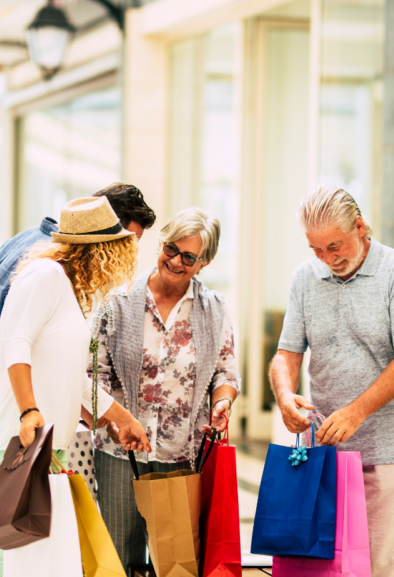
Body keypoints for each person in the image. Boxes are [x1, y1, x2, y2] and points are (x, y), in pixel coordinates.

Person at [0, 183, 156, 577]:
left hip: (43, 446)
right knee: (3, 562)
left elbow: (68, 373)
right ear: (103, 247)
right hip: (14, 443)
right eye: (128, 244)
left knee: (28, 562)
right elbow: (15, 344)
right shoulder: (45, 275)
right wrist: (28, 412)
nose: (132, 255)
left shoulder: (69, 286)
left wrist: (121, 418)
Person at [268, 186, 394, 577]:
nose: (328, 259)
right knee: (325, 565)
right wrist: (285, 395)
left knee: (382, 566)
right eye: (317, 249)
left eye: (335, 245)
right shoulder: (306, 278)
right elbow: (286, 355)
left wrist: (356, 412)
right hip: (323, 451)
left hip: (388, 448)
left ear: (360, 227)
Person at [89, 207, 240, 570]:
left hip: (179, 455)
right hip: (118, 453)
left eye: (189, 256)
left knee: (173, 564)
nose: (175, 261)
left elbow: (226, 372)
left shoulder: (214, 309)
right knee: (117, 559)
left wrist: (222, 403)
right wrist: (112, 422)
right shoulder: (117, 302)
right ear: (160, 243)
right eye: (171, 249)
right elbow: (94, 374)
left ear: (205, 262)